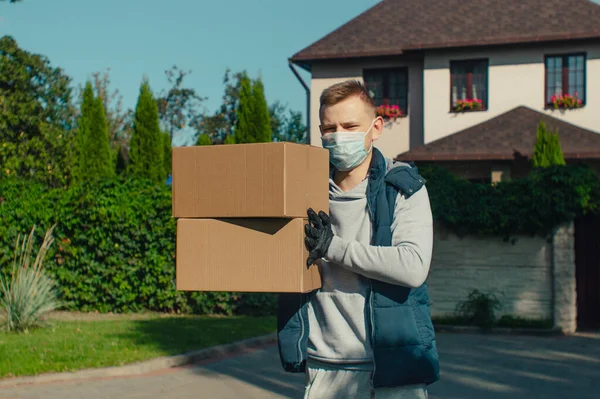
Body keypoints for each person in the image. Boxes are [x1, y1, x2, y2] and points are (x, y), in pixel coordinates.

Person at [277, 80, 439, 398]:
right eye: (329, 128)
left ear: (376, 127)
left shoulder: (403, 187)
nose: (338, 136)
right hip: (324, 367)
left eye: (350, 125)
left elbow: (412, 266)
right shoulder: (303, 189)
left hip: (392, 367)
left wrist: (332, 247)